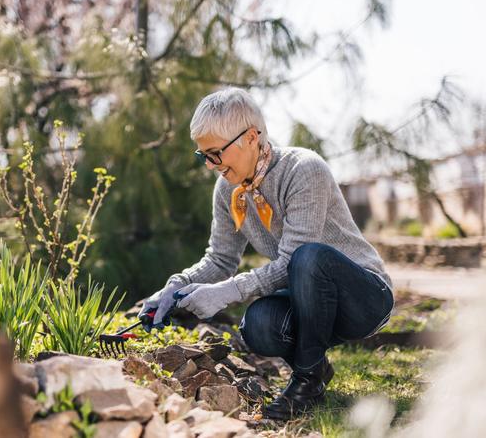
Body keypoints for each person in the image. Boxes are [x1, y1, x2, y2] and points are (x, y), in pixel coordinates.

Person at [138, 87, 394, 420]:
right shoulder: (227, 189)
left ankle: (305, 383)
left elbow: (293, 261)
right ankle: (315, 368)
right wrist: (174, 287)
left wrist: (226, 292)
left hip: (364, 299)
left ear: (251, 137)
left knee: (309, 258)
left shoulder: (304, 169)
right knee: (257, 325)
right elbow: (220, 259)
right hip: (310, 300)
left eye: (216, 153)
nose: (211, 165)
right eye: (204, 156)